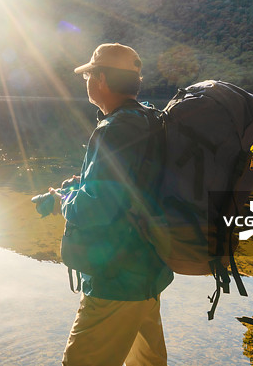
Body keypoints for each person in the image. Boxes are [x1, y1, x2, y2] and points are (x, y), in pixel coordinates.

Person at [49, 43, 173, 366]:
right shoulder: (150, 120)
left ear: (101, 80)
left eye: (88, 75)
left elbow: (95, 208)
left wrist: (64, 200)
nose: (86, 82)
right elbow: (129, 189)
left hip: (116, 281)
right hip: (149, 273)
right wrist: (80, 187)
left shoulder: (114, 131)